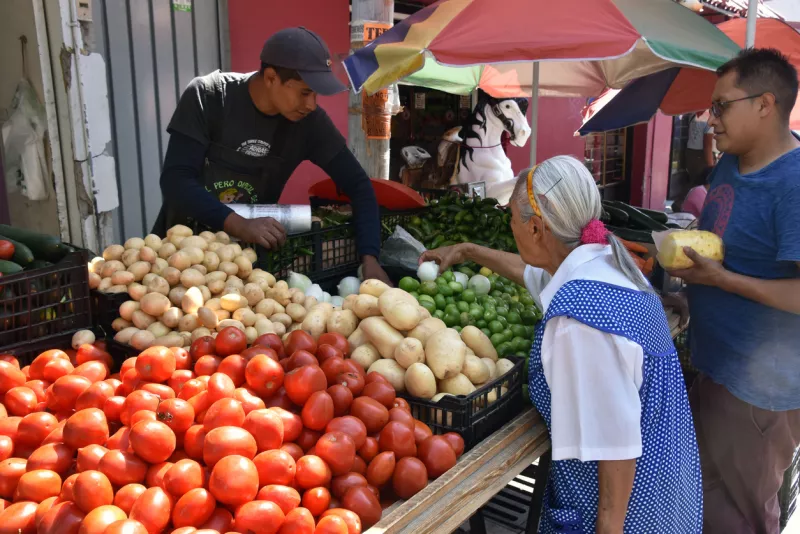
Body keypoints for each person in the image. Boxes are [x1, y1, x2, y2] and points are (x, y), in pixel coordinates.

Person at [421, 155, 702, 533]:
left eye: (512, 219)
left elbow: (615, 447)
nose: (509, 226)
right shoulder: (607, 262)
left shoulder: (578, 324)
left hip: (630, 514)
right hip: (669, 488)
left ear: (536, 229)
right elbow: (535, 274)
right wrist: (468, 250)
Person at [667, 48, 800, 534]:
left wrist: (723, 282)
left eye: (722, 106)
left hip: (759, 394)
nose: (710, 119)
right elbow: (724, 253)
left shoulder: (794, 183)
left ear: (765, 104)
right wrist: (689, 297)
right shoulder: (730, 165)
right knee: (700, 506)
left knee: (739, 519)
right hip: (713, 366)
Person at [155, 27, 390, 283]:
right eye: (304, 92)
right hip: (180, 258)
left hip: (245, 267)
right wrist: (240, 224)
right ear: (270, 78)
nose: (312, 104)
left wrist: (370, 259)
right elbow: (176, 180)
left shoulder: (310, 123)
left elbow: (358, 185)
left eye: (316, 94)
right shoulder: (209, 97)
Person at [686, 111, 716, 183]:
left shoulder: (693, 115)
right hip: (702, 156)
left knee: (694, 182)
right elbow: (707, 145)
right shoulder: (709, 120)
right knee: (703, 185)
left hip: (690, 153)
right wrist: (711, 168)